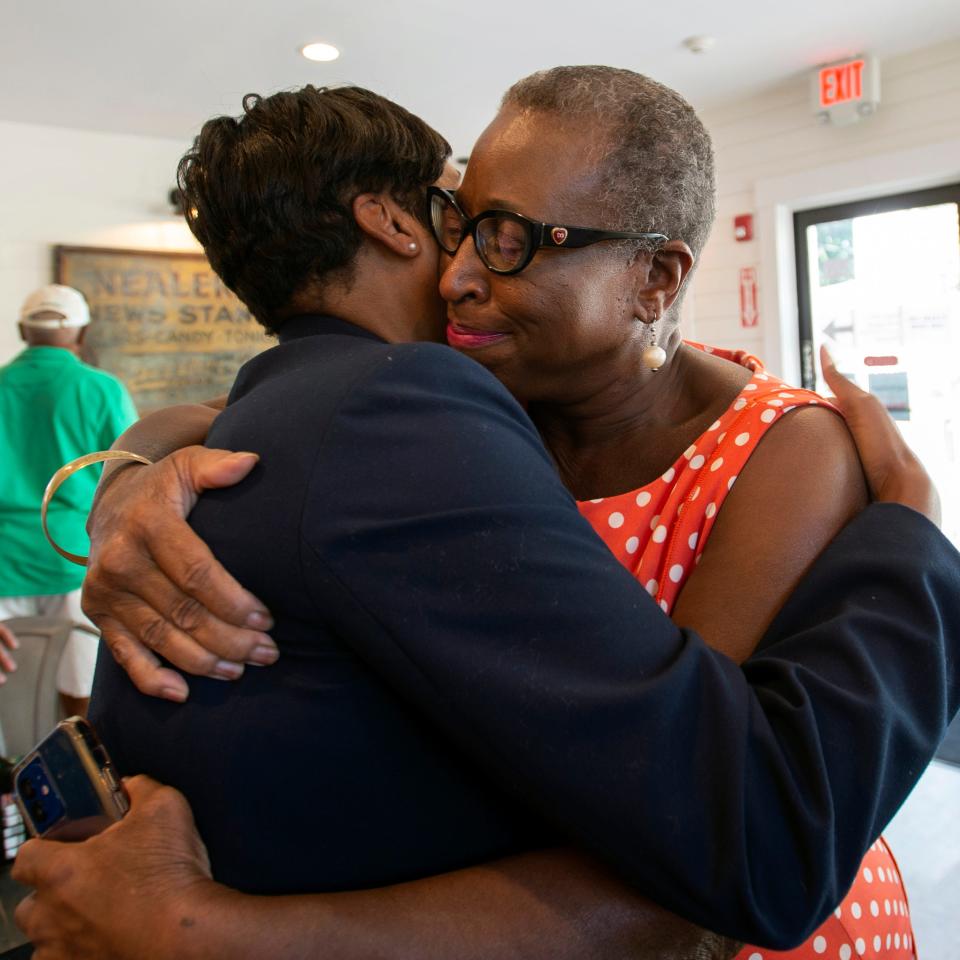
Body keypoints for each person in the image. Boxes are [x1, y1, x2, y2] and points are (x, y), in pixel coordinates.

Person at [14, 82, 959, 959]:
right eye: (459, 225)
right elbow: (273, 415)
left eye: (503, 237)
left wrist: (914, 523)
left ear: (656, 279)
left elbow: (715, 818)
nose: (461, 271)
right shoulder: (485, 400)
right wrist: (132, 474)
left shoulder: (778, 449)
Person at [0, 285, 137, 715]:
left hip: (4, 563)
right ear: (82, 332)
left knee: (10, 697)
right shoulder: (99, 388)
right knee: (81, 692)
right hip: (73, 557)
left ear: (23, 329)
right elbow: (129, 471)